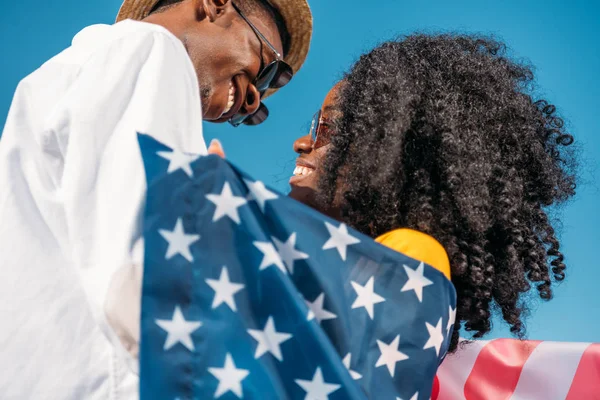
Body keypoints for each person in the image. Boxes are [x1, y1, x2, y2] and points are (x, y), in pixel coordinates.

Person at [0, 0, 312, 398]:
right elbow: (145, 280)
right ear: (215, 5)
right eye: (266, 68)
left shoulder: (82, 67)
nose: (253, 100)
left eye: (263, 93)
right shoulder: (152, 50)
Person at [289, 34, 577, 353]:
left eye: (328, 129)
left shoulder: (410, 255)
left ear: (393, 156)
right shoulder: (344, 262)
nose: (302, 142)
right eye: (317, 126)